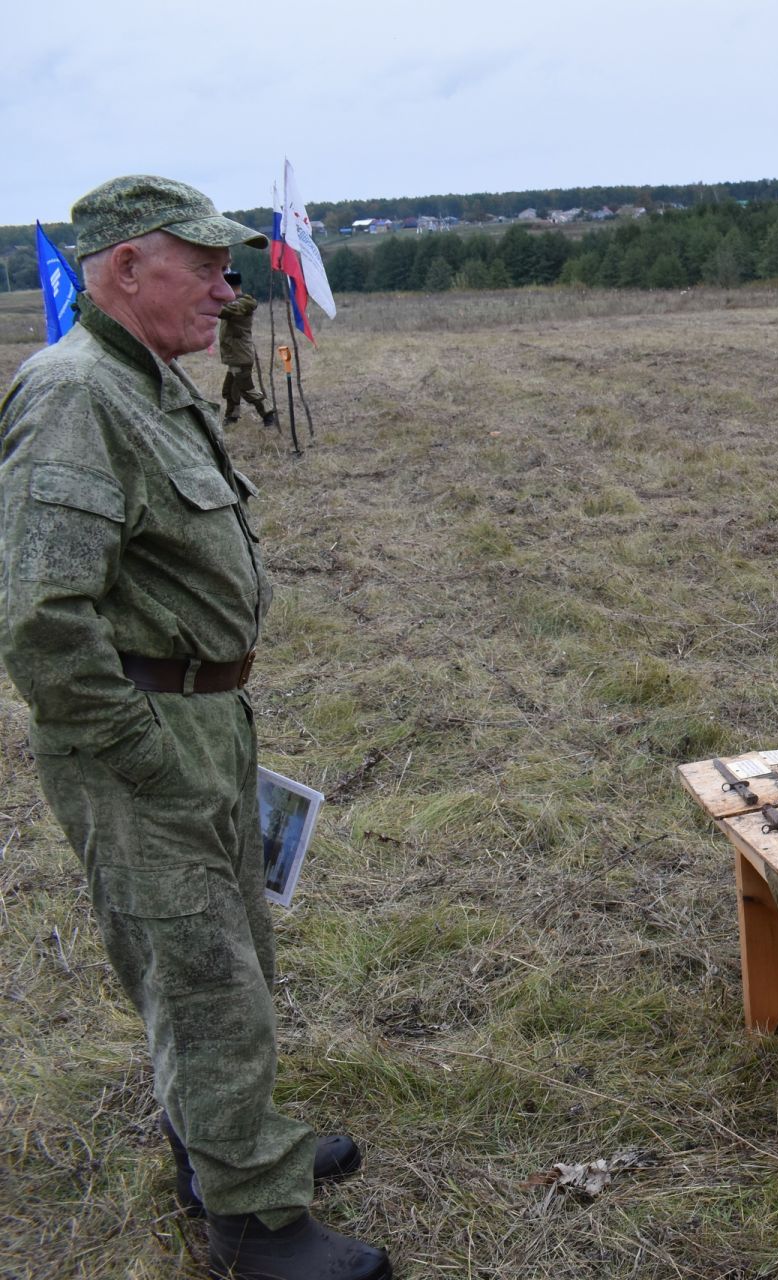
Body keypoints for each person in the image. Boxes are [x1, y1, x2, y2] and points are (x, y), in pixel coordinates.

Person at [0, 176, 389, 1280]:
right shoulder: (76, 392)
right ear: (127, 267)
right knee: (202, 967)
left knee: (226, 951)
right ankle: (254, 1220)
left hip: (199, 712)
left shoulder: (143, 383)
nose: (229, 290)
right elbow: (40, 617)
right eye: (207, 267)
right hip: (146, 728)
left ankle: (227, 1144)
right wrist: (144, 753)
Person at [217, 274, 277, 427]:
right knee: (230, 390)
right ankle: (232, 417)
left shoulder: (243, 303)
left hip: (240, 355)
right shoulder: (234, 303)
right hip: (234, 355)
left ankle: (268, 414)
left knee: (247, 390)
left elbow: (223, 311)